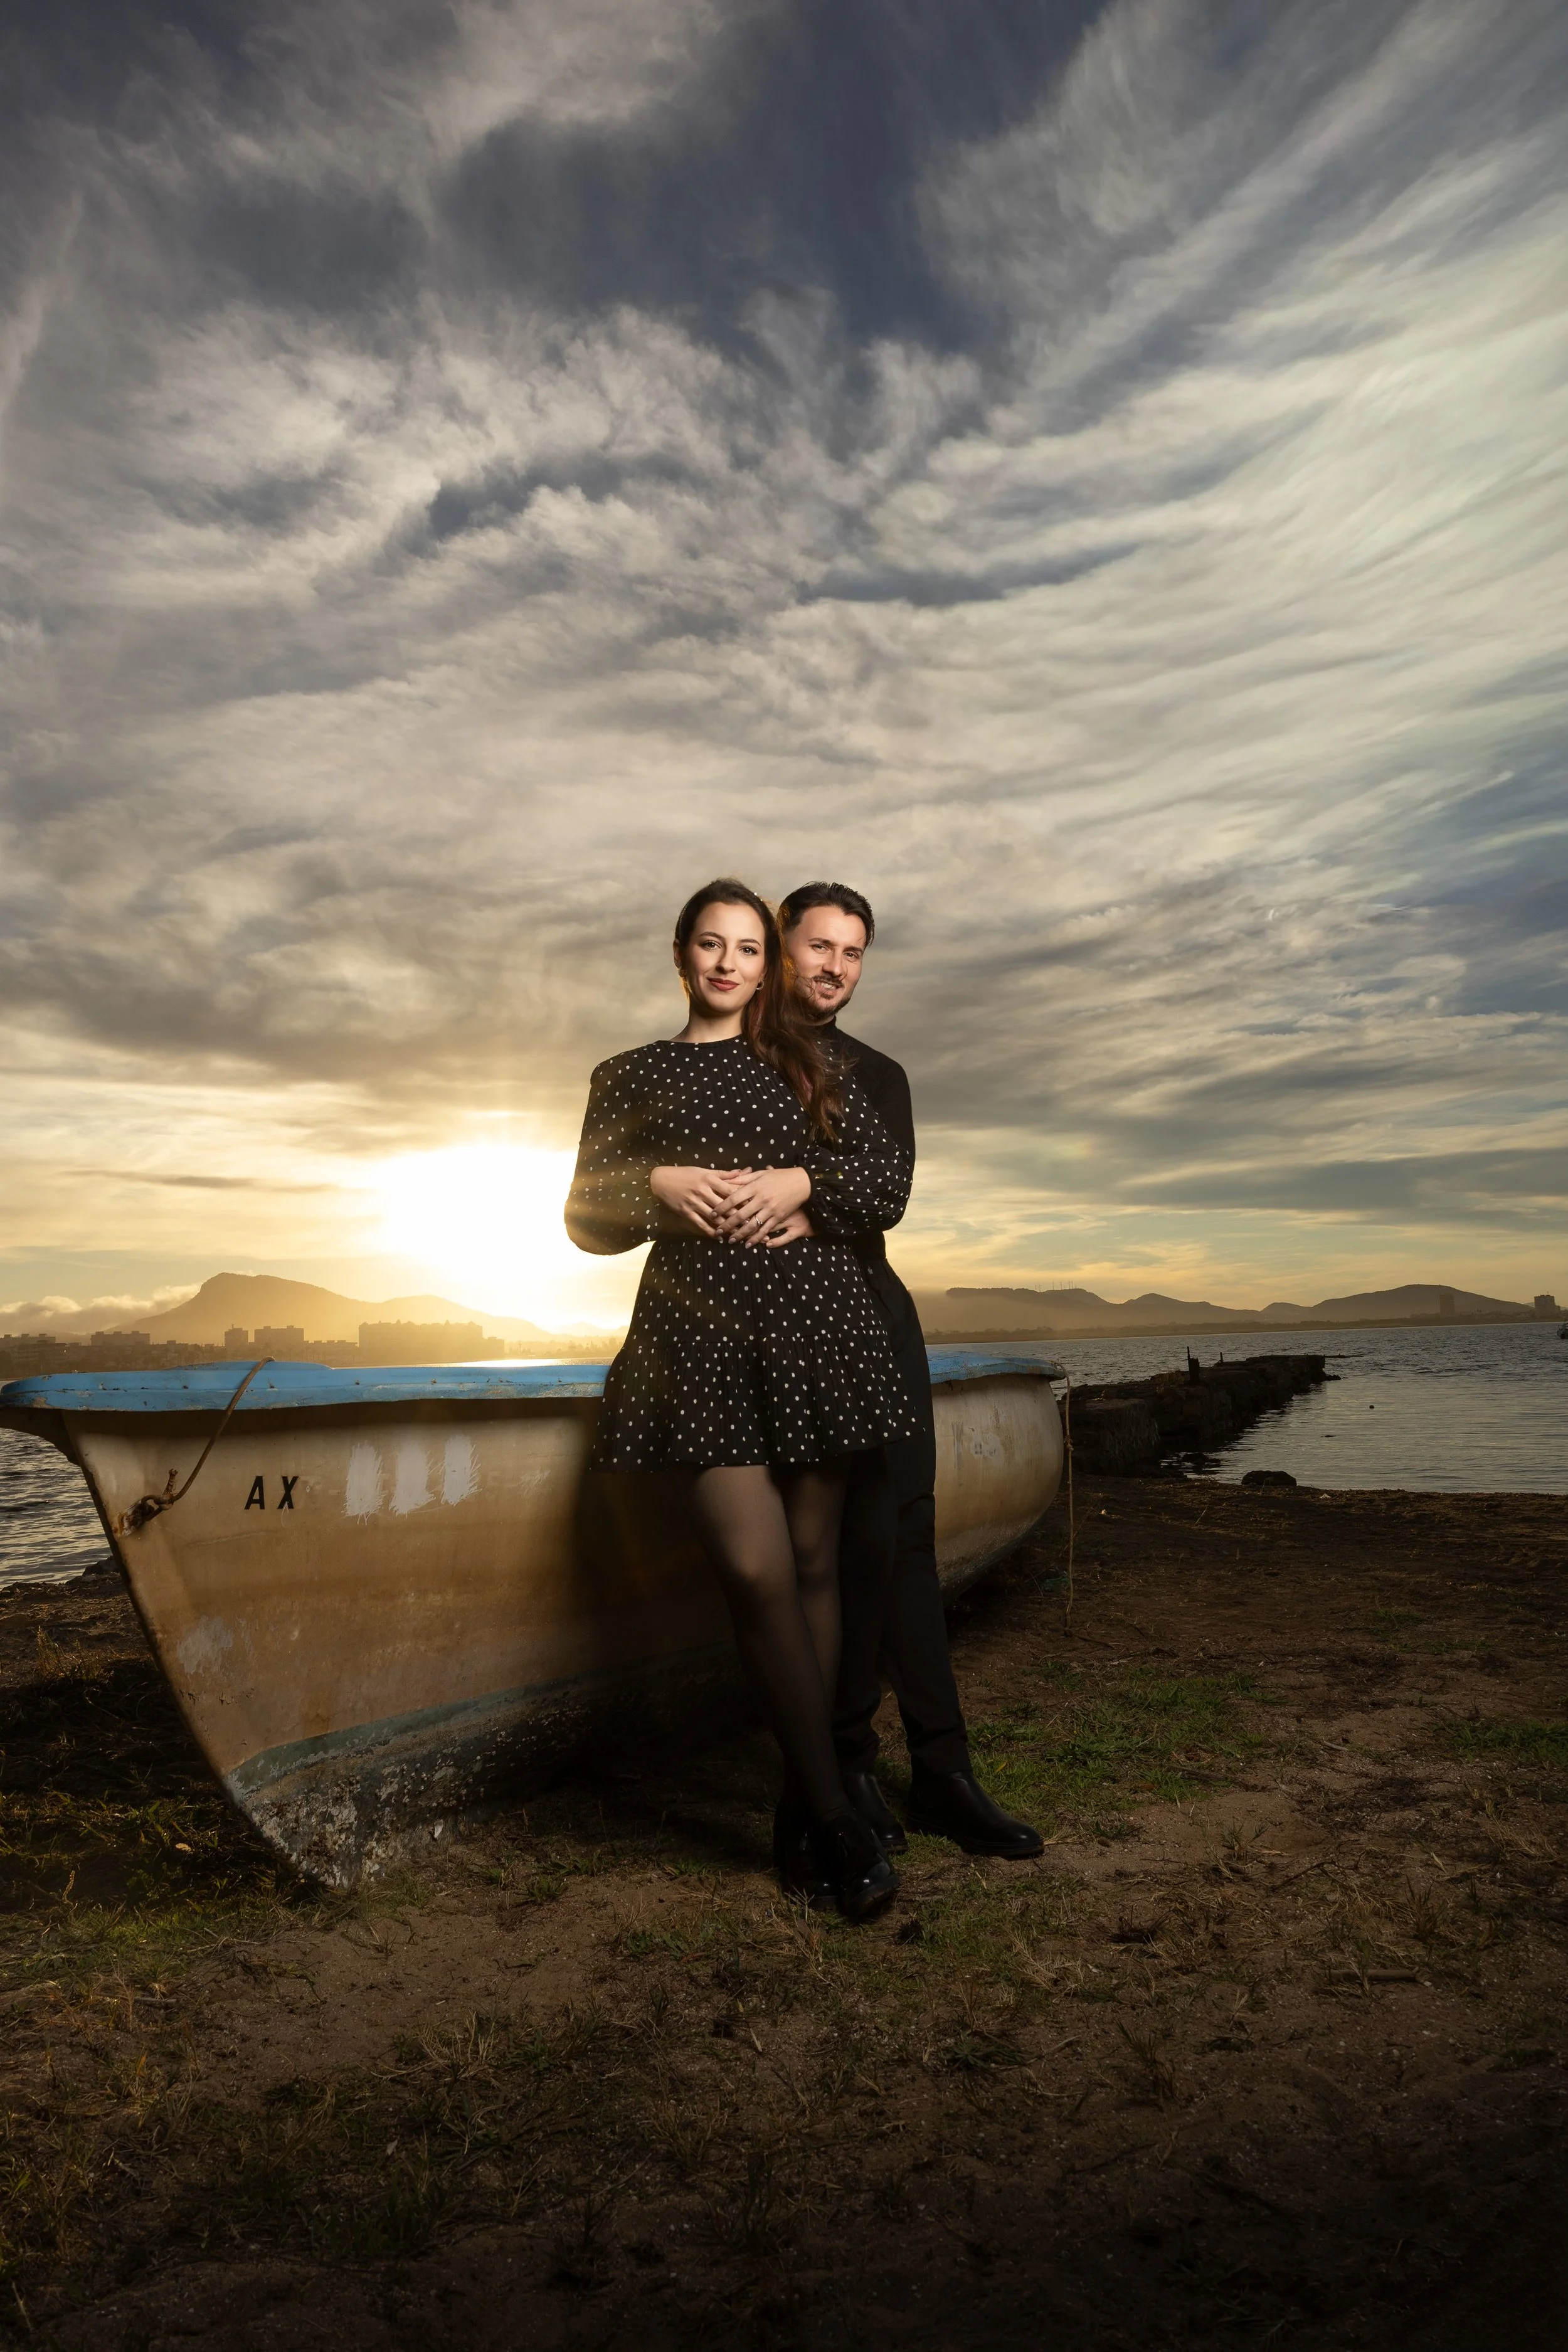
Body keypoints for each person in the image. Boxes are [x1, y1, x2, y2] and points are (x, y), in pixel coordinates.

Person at [564, 878, 916, 1920]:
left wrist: (803, 1186)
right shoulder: (626, 1073)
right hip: (697, 1341)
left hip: (815, 1330)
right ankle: (835, 1815)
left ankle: (807, 1811)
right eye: (710, 945)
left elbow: (884, 1183)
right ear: (681, 954)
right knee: (757, 1570)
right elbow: (584, 1216)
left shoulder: (807, 1059)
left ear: (767, 966)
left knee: (814, 1563)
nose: (730, 963)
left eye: (749, 948)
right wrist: (659, 1186)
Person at [775, 882, 1044, 1860]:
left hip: (879, 1319)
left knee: (906, 1539)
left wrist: (809, 1190)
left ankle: (944, 1769)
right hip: (786, 1326)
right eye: (820, 945)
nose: (837, 966)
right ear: (781, 945)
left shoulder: (880, 1073)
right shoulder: (738, 1057)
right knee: (839, 1551)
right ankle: (842, 1760)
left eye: (854, 951)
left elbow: (885, 1200)